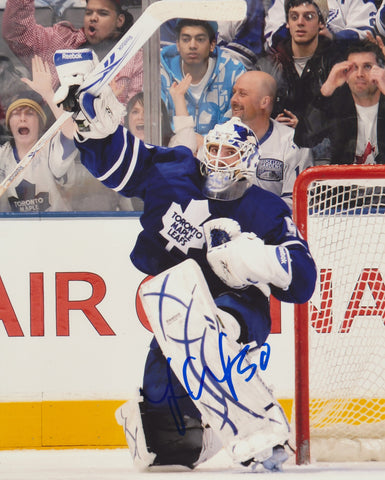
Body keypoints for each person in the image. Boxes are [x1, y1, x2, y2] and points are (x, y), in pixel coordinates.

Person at [61, 54, 317, 470]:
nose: (218, 158)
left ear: (249, 164)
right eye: (213, 147)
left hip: (237, 308)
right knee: (161, 400)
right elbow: (120, 165)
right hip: (175, 302)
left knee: (194, 319)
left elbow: (303, 279)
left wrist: (246, 256)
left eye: (230, 153)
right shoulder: (174, 173)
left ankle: (260, 431)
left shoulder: (266, 209)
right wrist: (95, 128)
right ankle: (186, 442)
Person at [1, 0, 142, 106]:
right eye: (89, 12)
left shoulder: (136, 59)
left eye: (102, 13)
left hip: (106, 141)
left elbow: (136, 119)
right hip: (54, 137)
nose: (93, 18)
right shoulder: (63, 40)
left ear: (120, 20)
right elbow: (17, 32)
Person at [230, 70, 313, 209]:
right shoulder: (217, 137)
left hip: (273, 226)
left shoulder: (293, 143)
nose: (233, 100)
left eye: (242, 94)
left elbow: (295, 204)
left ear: (264, 102)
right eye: (234, 92)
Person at [295, 40, 385, 164]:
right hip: (345, 180)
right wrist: (326, 89)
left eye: (367, 66)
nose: (359, 74)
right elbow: (303, 139)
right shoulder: (338, 103)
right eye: (353, 68)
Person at [160, 18, 246, 136]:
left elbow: (240, 120)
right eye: (186, 39)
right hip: (172, 149)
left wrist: (206, 143)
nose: (192, 45)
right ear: (178, 45)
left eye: (200, 39)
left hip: (219, 149)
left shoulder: (233, 71)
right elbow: (155, 123)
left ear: (212, 45)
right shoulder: (160, 71)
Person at [160, 0, 267, 69]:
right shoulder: (173, 3)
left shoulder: (250, 3)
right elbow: (168, 54)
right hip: (182, 82)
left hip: (230, 83)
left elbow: (246, 57)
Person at [264, 0, 377, 53]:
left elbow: (365, 31)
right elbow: (271, 38)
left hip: (342, 60)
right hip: (294, 68)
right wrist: (304, 35)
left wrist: (333, 38)